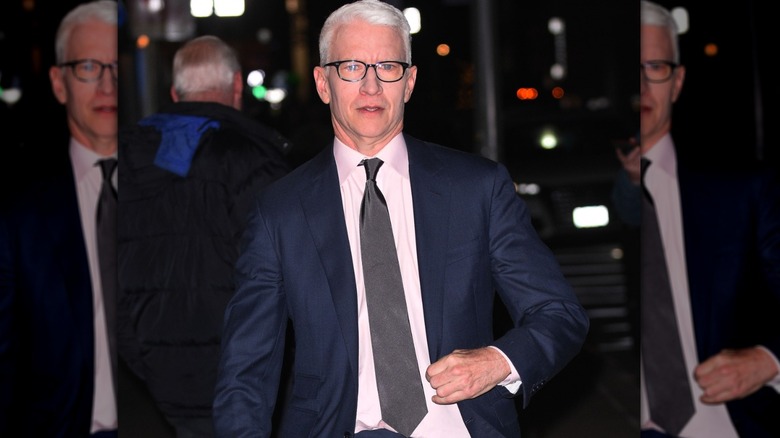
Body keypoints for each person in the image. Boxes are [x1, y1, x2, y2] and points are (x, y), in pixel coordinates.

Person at [213, 1, 590, 436]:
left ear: (409, 82)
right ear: (323, 82)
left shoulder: (475, 189)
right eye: (352, 67)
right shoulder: (279, 212)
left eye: (388, 66)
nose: (371, 86)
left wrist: (497, 362)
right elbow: (245, 373)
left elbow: (559, 313)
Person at [117, 34, 291, 437]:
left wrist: (145, 358)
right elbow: (288, 276)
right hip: (246, 379)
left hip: (163, 373)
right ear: (235, 86)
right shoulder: (252, 160)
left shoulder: (120, 162)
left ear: (176, 92)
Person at [638, 1, 780, 437]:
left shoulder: (742, 190)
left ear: (677, 82)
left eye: (655, 67)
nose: (641, 84)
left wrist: (770, 360)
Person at [0, 1, 120, 436]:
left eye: (116, 66)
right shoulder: (19, 216)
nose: (108, 85)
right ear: (59, 83)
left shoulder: (171, 192)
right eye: (89, 67)